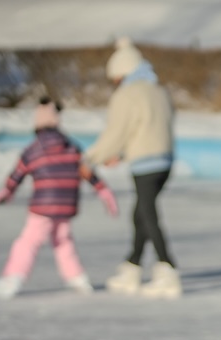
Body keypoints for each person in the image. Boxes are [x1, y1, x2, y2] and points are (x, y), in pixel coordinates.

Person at [0, 98, 119, 299]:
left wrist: (7, 191)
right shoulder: (71, 146)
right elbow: (87, 170)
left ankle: (12, 278)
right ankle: (77, 277)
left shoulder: (33, 149)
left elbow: (18, 173)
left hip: (43, 206)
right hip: (67, 203)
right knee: (62, 240)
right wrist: (103, 191)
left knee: (28, 241)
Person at [84, 37, 180, 298]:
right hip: (164, 161)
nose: (114, 83)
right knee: (141, 213)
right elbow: (151, 129)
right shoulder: (158, 90)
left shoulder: (127, 94)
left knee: (147, 215)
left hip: (145, 164)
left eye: (114, 78)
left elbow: (116, 133)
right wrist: (125, 153)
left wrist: (89, 159)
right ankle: (132, 266)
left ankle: (168, 269)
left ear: (121, 73)